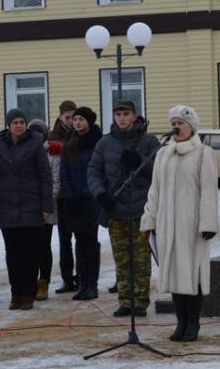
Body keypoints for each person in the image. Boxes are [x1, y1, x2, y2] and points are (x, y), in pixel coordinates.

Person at [141, 105, 218, 342]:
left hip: (192, 225)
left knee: (191, 273)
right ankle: (180, 322)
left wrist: (208, 223)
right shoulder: (163, 153)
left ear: (191, 126)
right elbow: (155, 189)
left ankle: (193, 323)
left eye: (181, 122)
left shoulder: (204, 153)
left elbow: (208, 190)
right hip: (166, 224)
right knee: (174, 273)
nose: (176, 126)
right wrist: (149, 219)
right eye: (173, 122)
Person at [88, 100, 160, 317]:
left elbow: (159, 171)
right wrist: (100, 194)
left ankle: (140, 301)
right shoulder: (104, 143)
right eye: (118, 114)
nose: (121, 118)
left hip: (141, 209)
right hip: (116, 209)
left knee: (140, 259)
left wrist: (140, 161)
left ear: (134, 115)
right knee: (122, 258)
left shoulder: (148, 141)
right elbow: (93, 171)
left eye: (126, 114)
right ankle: (125, 300)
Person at [0, 108, 54, 310]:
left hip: (31, 205)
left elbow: (45, 176)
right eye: (15, 122)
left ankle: (28, 294)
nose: (19, 126)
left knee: (30, 254)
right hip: (7, 206)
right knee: (12, 254)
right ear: (8, 125)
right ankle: (15, 293)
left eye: (22, 122)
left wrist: (46, 205)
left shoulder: (36, 146)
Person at [60, 106, 103, 301]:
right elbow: (64, 171)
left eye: (81, 119)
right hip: (74, 201)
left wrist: (88, 193)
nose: (77, 122)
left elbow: (97, 171)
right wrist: (70, 195)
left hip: (91, 200)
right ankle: (82, 283)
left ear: (89, 122)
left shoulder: (98, 141)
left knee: (90, 242)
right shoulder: (70, 141)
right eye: (75, 119)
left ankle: (92, 285)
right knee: (79, 242)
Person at [28, 119, 58, 301]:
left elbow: (55, 181)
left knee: (43, 246)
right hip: (28, 209)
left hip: (46, 208)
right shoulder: (24, 150)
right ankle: (29, 281)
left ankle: (43, 282)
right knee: (29, 248)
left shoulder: (52, 153)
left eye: (40, 132)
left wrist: (46, 202)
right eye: (34, 131)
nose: (37, 135)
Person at [51, 100, 78, 294]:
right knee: (64, 240)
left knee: (84, 238)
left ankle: (83, 276)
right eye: (67, 117)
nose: (70, 121)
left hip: (78, 194)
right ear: (60, 117)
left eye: (73, 117)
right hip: (60, 196)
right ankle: (67, 278)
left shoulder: (80, 133)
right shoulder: (52, 137)